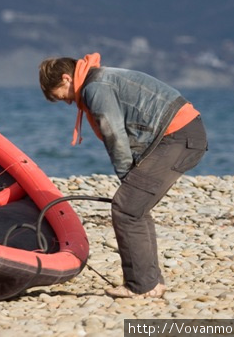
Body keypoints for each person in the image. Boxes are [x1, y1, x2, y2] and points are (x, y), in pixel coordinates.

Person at [38, 53, 207, 299]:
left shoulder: (95, 87)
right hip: (183, 134)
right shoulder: (100, 78)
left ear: (66, 78)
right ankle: (151, 282)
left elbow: (113, 132)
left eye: (59, 95)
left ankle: (141, 286)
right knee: (135, 206)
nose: (65, 103)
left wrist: (126, 174)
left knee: (126, 208)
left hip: (178, 137)